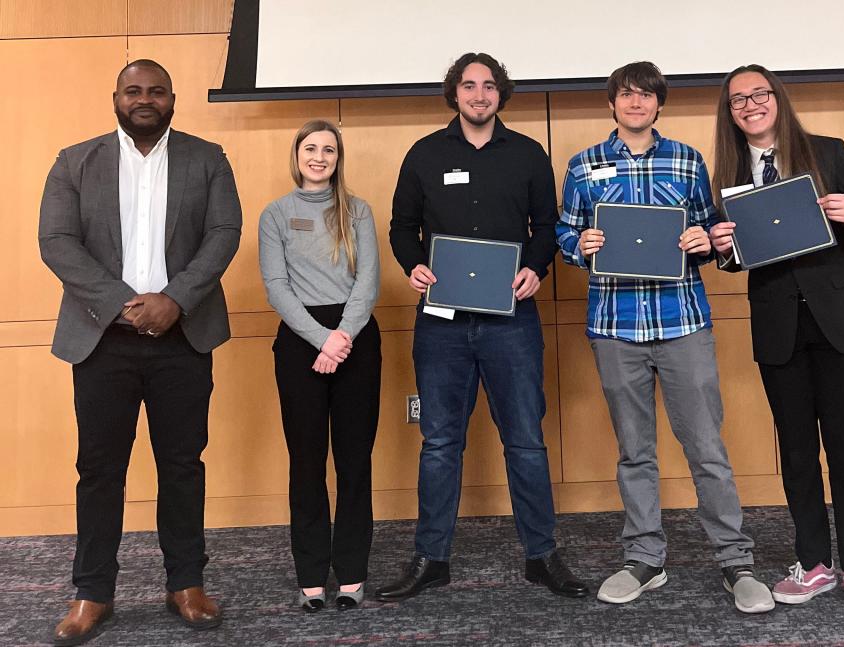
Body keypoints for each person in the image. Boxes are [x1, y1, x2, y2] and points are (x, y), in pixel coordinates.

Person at [556, 61, 774, 614]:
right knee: (635, 451)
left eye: (646, 96)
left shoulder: (688, 159)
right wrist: (578, 242)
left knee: (706, 447)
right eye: (626, 95)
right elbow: (565, 228)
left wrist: (704, 239)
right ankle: (644, 559)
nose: (635, 103)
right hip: (614, 326)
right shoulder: (584, 165)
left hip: (682, 323)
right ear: (612, 104)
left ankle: (735, 561)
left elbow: (710, 228)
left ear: (659, 104)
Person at [38, 59, 242, 645]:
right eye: (134, 90)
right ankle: (92, 592)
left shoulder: (208, 158)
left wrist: (174, 299)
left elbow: (224, 233)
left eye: (156, 90)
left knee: (183, 465)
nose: (144, 98)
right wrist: (130, 304)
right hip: (103, 339)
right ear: (116, 98)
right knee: (100, 470)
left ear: (174, 99)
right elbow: (56, 241)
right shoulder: (75, 161)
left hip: (184, 337)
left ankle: (186, 585)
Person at [378, 52, 587, 601]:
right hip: (441, 324)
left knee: (525, 441)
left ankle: (541, 556)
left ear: (501, 94)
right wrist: (412, 265)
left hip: (511, 320)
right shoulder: (424, 154)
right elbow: (403, 227)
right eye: (468, 86)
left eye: (488, 86)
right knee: (440, 442)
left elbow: (546, 225)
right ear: (454, 93)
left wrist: (535, 268)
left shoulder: (527, 154)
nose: (478, 95)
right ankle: (431, 558)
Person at [709, 64, 844, 615]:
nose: (751, 105)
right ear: (730, 113)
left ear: (778, 100)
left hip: (837, 319)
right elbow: (737, 261)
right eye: (739, 99)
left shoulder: (827, 151)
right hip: (778, 323)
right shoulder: (728, 172)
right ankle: (813, 563)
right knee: (795, 450)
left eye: (760, 94)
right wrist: (721, 246)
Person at [259, 120, 381, 611]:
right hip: (300, 343)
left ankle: (351, 570)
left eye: (329, 149)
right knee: (307, 463)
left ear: (338, 158)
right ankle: (311, 571)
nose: (319, 156)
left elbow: (368, 281)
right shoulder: (276, 214)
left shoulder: (359, 211)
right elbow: (276, 287)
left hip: (354, 341)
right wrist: (321, 341)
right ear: (297, 154)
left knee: (354, 462)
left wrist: (342, 338)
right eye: (311, 148)